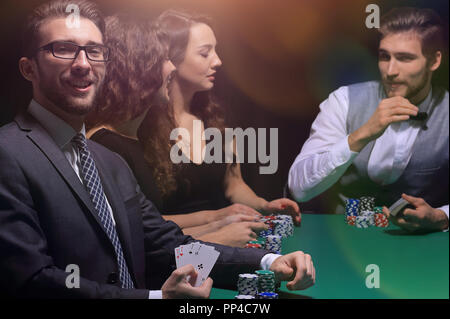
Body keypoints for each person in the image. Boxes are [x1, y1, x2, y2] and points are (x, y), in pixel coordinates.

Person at [0, 0, 315, 298]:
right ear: (28, 69)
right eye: (64, 49)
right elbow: (30, 279)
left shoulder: (108, 162)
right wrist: (155, 297)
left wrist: (267, 262)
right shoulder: (8, 153)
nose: (83, 64)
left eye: (94, 51)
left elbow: (167, 245)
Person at [92, 9, 301, 248]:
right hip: (185, 246)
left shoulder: (215, 117)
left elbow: (234, 184)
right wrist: (215, 222)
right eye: (205, 53)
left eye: (216, 50)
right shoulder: (136, 127)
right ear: (169, 57)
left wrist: (263, 205)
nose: (218, 61)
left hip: (215, 239)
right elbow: (143, 227)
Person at [288, 7, 448, 233]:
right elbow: (299, 188)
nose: (391, 71)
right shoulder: (343, 100)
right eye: (385, 56)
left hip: (421, 251)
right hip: (343, 244)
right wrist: (361, 135)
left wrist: (442, 216)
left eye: (405, 58)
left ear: (433, 61)